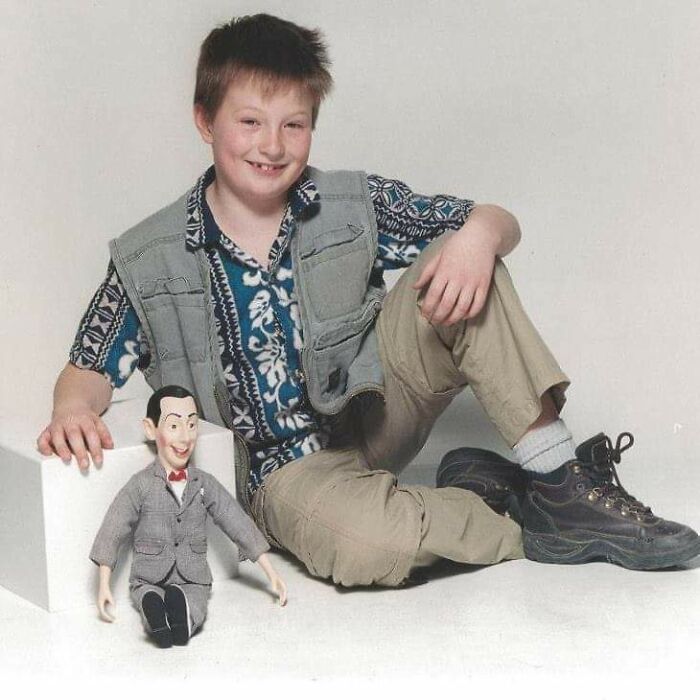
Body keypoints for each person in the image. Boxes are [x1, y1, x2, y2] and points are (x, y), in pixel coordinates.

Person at [39, 14, 699, 586]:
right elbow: (89, 367)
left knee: (465, 253)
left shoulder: (349, 204)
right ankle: (504, 507)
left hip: (373, 411)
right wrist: (72, 409)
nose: (272, 145)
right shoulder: (151, 256)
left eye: (294, 125)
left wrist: (478, 237)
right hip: (281, 475)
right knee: (368, 548)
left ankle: (558, 482)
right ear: (205, 121)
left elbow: (493, 220)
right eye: (250, 122)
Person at [90, 385, 287, 648]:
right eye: (174, 426)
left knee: (196, 600)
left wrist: (270, 571)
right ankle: (154, 612)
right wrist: (103, 583)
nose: (185, 437)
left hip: (193, 574)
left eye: (192, 425)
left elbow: (235, 520)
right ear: (150, 429)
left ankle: (182, 617)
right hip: (148, 573)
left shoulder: (204, 483)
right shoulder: (141, 484)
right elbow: (114, 526)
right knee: (146, 593)